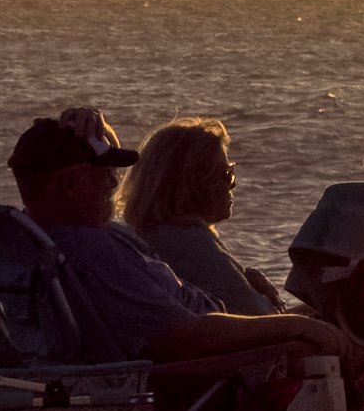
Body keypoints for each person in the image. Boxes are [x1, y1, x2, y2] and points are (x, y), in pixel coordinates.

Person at [7, 110, 364, 388]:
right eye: (101, 173)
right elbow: (178, 338)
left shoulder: (50, 241)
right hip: (205, 377)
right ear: (70, 184)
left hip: (196, 358)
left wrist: (97, 127)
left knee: (355, 326)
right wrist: (297, 324)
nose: (113, 181)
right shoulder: (93, 249)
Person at [123, 119, 287, 313]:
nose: (232, 185)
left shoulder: (146, 235)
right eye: (226, 174)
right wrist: (270, 296)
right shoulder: (189, 244)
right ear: (192, 182)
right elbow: (260, 318)